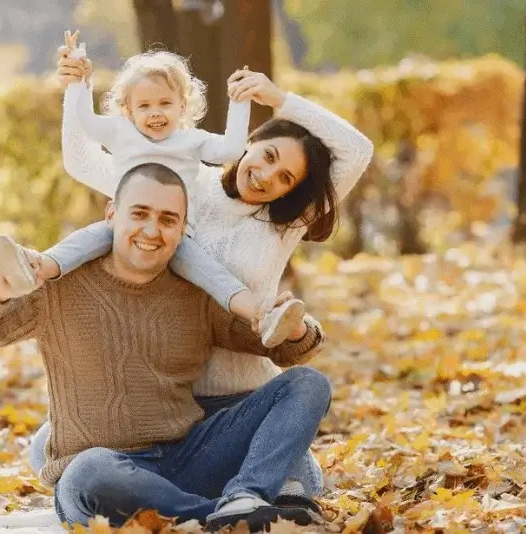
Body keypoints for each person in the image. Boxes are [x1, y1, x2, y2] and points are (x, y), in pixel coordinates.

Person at [28, 41, 375, 507]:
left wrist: (278, 98)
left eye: (286, 177)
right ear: (251, 142)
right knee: (46, 447)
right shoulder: (178, 183)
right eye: (269, 155)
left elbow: (355, 151)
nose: (269, 176)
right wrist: (77, 87)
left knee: (295, 472)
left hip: (239, 401)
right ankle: (198, 497)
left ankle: (256, 488)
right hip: (163, 405)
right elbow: (85, 161)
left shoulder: (283, 222)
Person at [0, 163, 331, 531]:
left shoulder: (195, 296)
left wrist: (293, 325)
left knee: (308, 384)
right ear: (112, 215)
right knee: (89, 470)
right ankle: (215, 516)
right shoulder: (57, 288)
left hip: (189, 457)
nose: (152, 230)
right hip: (104, 473)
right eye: (139, 214)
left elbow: (284, 348)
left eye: (167, 219)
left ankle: (245, 498)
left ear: (182, 230)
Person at [0, 31, 305, 349]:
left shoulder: (191, 141)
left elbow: (233, 149)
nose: (155, 113)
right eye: (145, 105)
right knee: (83, 241)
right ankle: (33, 266)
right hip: (123, 225)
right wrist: (79, 80)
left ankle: (264, 315)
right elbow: (85, 121)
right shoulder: (120, 131)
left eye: (165, 103)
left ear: (183, 106)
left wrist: (239, 103)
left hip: (176, 235)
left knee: (214, 276)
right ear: (128, 110)